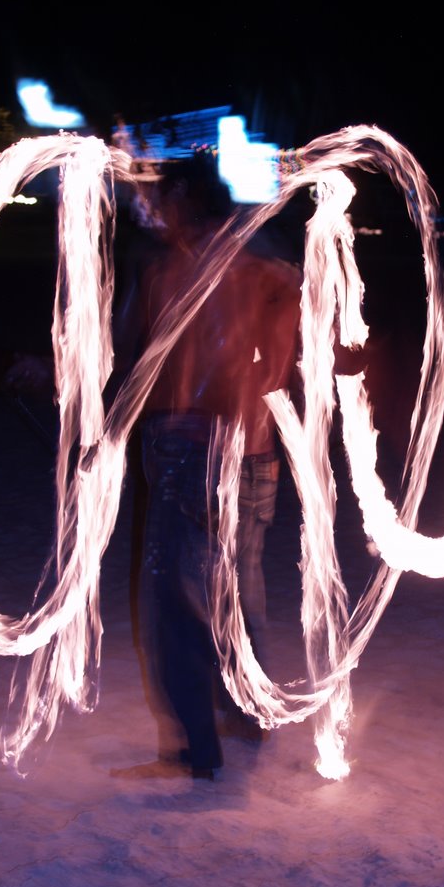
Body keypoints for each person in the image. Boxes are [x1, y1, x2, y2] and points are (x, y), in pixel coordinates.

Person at [124, 153, 303, 781]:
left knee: (174, 600)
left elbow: (153, 374)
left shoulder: (173, 275)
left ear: (179, 200)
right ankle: (245, 713)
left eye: (159, 197)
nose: (150, 209)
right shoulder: (271, 274)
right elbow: (279, 367)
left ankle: (195, 749)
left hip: (192, 453)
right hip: (258, 459)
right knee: (237, 589)